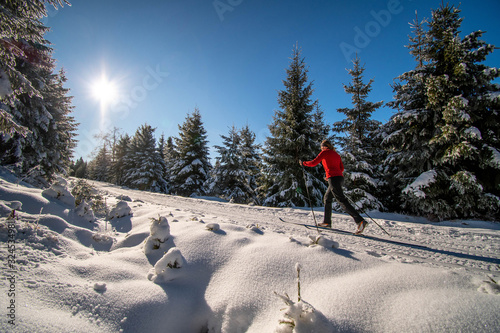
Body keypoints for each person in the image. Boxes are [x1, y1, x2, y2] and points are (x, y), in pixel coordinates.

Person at [300, 140, 368, 235]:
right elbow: (341, 168)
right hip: (339, 178)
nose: (322, 148)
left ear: (326, 147)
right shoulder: (336, 154)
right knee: (327, 198)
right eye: (322, 147)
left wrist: (303, 163)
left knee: (341, 200)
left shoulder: (325, 153)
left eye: (323, 147)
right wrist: (331, 175)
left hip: (334, 179)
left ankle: (359, 221)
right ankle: (327, 222)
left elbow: (314, 163)